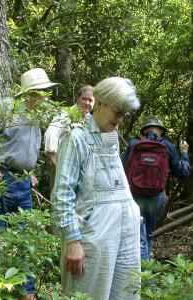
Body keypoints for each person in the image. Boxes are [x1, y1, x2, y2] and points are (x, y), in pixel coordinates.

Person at [0, 68, 60, 300]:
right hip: (0, 180)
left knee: (25, 238)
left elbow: (24, 150)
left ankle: (26, 293)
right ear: (30, 91)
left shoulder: (36, 118)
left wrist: (28, 173)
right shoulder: (4, 108)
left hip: (22, 183)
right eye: (42, 91)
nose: (45, 96)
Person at [52, 77, 141, 300]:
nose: (119, 120)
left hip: (126, 233)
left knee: (127, 294)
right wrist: (72, 241)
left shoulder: (111, 138)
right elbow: (62, 194)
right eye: (117, 112)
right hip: (95, 235)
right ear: (99, 102)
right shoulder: (76, 138)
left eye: (124, 114)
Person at [122, 116, 190, 261]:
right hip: (156, 197)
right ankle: (144, 277)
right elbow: (183, 172)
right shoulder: (166, 145)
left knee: (138, 238)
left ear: (144, 130)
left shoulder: (134, 144)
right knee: (148, 235)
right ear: (160, 130)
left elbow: (121, 170)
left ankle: (140, 276)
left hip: (134, 197)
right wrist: (184, 153)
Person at [44, 85, 94, 190]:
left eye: (90, 100)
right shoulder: (66, 114)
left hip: (81, 173)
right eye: (84, 98)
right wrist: (57, 165)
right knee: (61, 203)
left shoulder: (91, 121)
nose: (87, 103)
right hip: (63, 169)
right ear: (77, 98)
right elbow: (51, 134)